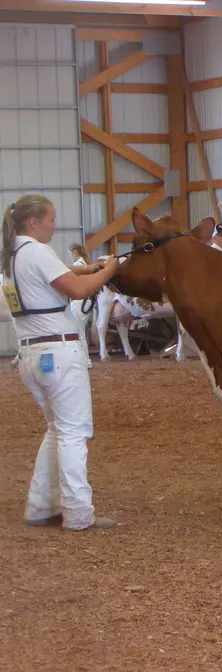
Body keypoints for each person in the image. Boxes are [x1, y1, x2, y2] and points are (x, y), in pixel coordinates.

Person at [2, 194, 121, 530]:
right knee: (73, 433)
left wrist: (85, 267)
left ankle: (40, 506)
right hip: (59, 352)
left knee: (57, 430)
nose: (55, 225)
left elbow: (56, 276)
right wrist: (109, 268)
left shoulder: (11, 255)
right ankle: (79, 513)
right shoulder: (39, 252)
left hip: (30, 353)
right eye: (51, 219)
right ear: (33, 222)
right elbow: (78, 290)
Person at [68, 243, 94, 369]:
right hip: (85, 301)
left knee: (79, 332)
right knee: (80, 331)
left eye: (70, 253)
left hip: (79, 302)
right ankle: (84, 360)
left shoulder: (78, 265)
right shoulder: (86, 264)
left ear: (75, 252)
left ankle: (85, 361)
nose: (70, 256)